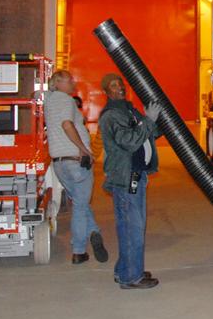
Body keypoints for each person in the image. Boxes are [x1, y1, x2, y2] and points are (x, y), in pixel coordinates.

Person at [97, 72, 161, 289]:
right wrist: (148, 121)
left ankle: (126, 269)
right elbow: (129, 141)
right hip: (125, 178)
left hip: (134, 174)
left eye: (121, 84)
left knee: (130, 226)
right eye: (114, 86)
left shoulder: (127, 109)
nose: (120, 88)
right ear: (106, 92)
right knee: (133, 226)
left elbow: (147, 133)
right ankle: (131, 278)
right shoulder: (111, 116)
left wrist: (153, 123)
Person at [44, 70, 107, 265]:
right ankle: (79, 250)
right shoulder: (65, 100)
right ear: (58, 82)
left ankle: (94, 230)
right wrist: (83, 150)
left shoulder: (50, 99)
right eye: (69, 80)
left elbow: (37, 96)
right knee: (80, 206)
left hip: (59, 163)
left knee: (79, 202)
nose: (74, 83)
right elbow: (67, 125)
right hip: (76, 160)